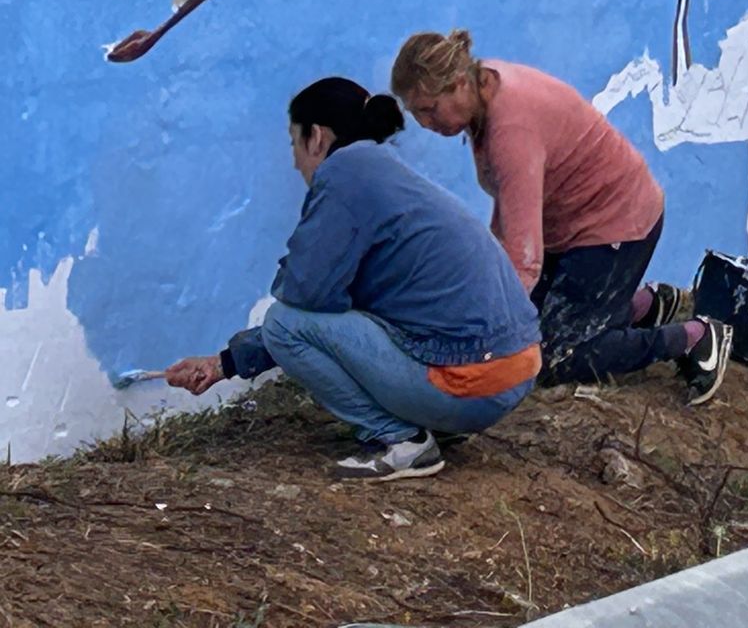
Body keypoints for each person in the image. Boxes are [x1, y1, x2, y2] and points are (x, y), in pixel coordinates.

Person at [165, 77, 543, 481]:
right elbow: (335, 309)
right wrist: (225, 364)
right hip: (513, 373)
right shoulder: (383, 172)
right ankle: (433, 425)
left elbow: (303, 298)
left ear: (316, 137)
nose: (295, 162)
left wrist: (305, 261)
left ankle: (404, 442)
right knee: (306, 319)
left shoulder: (346, 176)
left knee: (282, 321)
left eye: (294, 143)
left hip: (469, 386)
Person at [389, 30, 733, 406]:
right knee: (532, 332)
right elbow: (509, 212)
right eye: (415, 112)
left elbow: (523, 263)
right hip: (570, 228)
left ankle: (694, 337)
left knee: (557, 357)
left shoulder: (511, 130)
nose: (424, 122)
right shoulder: (482, 84)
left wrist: (478, 329)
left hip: (616, 226)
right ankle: (640, 306)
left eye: (428, 108)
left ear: (457, 84)